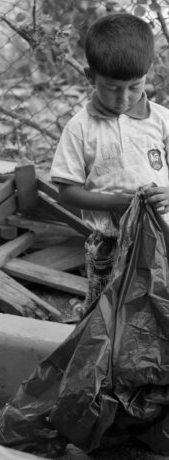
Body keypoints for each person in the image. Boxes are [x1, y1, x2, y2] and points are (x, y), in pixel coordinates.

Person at [50, 11, 169, 309]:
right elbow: (67, 192)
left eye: (135, 87)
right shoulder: (80, 129)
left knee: (158, 305)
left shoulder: (163, 121)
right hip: (109, 243)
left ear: (148, 75)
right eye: (112, 88)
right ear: (91, 77)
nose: (123, 99)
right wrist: (113, 202)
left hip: (162, 239)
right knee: (105, 310)